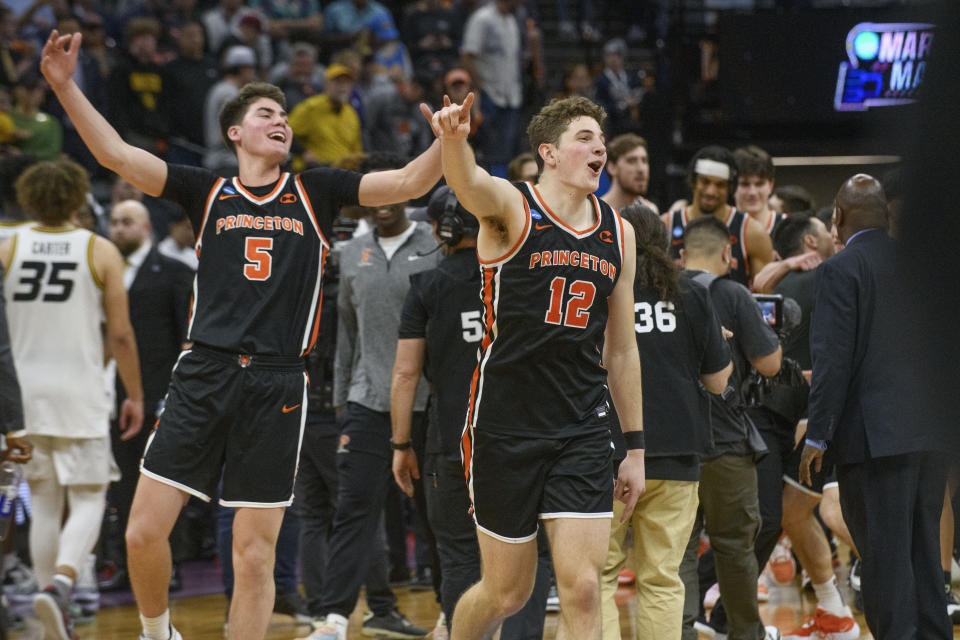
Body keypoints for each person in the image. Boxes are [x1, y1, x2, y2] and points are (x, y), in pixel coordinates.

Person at [40, 26, 444, 640]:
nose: (280, 120)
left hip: (279, 381)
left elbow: (410, 183)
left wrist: (449, 141)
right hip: (204, 370)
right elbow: (118, 156)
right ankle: (158, 632)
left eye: (284, 113)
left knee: (254, 556)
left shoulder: (318, 190)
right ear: (236, 131)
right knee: (143, 530)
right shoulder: (208, 190)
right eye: (265, 113)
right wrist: (66, 89)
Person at [429, 93, 645, 639]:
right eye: (584, 138)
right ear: (548, 152)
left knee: (582, 586)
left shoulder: (619, 233)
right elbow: (468, 183)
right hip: (504, 425)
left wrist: (636, 447)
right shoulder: (511, 207)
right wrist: (454, 142)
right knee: (508, 592)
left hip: (580, 427)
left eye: (602, 140)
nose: (599, 147)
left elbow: (621, 349)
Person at [392, 185, 553, 639]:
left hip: (452, 441)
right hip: (523, 438)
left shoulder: (426, 286)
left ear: (445, 227)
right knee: (529, 553)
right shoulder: (524, 276)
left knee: (460, 554)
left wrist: (401, 443)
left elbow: (406, 374)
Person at [799, 174, 951, 639]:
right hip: (932, 435)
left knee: (885, 562)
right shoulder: (927, 266)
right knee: (925, 556)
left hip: (874, 441)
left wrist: (817, 435)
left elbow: (832, 362)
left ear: (838, 219)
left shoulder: (840, 269)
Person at [0, 158, 144, 640]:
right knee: (90, 496)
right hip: (79, 390)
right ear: (79, 198)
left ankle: (49, 602)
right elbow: (121, 336)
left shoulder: (8, 246)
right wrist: (135, 394)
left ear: (28, 197)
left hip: (23, 394)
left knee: (42, 502)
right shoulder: (99, 250)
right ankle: (61, 584)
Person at [304, 152, 439, 640]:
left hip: (427, 406)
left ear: (406, 190)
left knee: (434, 516)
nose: (382, 202)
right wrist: (342, 399)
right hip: (365, 403)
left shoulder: (434, 246)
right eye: (372, 191)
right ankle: (335, 618)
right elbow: (345, 334)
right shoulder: (351, 255)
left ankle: (450, 613)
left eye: (391, 189)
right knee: (353, 511)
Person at [599, 204, 731, 640]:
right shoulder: (692, 294)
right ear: (665, 242)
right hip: (676, 450)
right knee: (661, 578)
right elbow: (717, 381)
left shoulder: (599, 290)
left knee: (599, 575)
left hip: (608, 452)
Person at [676, 216, 782, 640]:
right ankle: (744, 634)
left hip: (673, 442)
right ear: (727, 254)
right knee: (735, 548)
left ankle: (678, 632)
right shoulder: (734, 293)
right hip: (724, 441)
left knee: (678, 553)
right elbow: (770, 364)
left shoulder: (660, 294)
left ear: (680, 258)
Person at [100, 199, 194, 602]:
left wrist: (178, 394)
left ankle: (168, 567)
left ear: (146, 228)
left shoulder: (174, 272)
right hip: (109, 393)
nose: (118, 228)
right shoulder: (99, 271)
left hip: (159, 393)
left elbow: (185, 338)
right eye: (114, 222)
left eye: (126, 222)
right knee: (120, 484)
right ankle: (124, 566)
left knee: (159, 483)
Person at [664, 145, 773, 287]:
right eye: (705, 181)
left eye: (720, 185)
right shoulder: (665, 225)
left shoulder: (752, 233)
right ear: (693, 181)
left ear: (731, 188)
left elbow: (765, 298)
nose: (711, 191)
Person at [600, 133, 658, 213]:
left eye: (644, 161)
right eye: (632, 161)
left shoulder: (651, 210)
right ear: (612, 167)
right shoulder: (597, 212)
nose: (641, 169)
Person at [733, 146, 784, 236]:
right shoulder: (718, 230)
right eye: (745, 184)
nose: (752, 192)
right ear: (732, 186)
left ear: (771, 185)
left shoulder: (789, 228)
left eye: (759, 184)